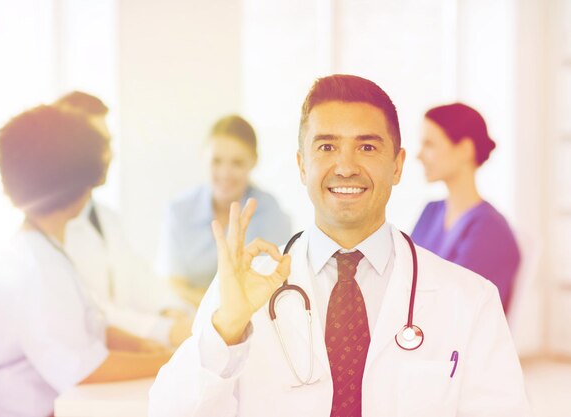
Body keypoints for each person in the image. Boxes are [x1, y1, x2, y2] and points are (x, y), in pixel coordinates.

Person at [148, 75, 531, 416]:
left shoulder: (470, 299)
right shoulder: (240, 291)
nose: (345, 167)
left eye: (367, 148)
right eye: (327, 147)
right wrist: (226, 329)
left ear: (397, 166)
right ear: (301, 165)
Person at [0, 106, 173, 417]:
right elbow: (83, 368)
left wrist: (142, 346)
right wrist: (168, 361)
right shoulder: (37, 265)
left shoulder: (40, 250)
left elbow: (88, 328)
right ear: (79, 180)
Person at [55, 91, 192, 347]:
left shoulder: (107, 218)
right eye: (99, 144)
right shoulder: (53, 231)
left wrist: (171, 310)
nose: (110, 155)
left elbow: (136, 276)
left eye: (109, 143)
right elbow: (89, 311)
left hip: (114, 355)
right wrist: (165, 330)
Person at [157, 114, 291, 306]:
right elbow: (174, 284)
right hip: (190, 318)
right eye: (216, 161)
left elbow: (273, 282)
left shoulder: (271, 212)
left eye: (237, 163)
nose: (225, 173)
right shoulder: (179, 211)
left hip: (253, 317)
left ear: (253, 161)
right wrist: (218, 310)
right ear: (203, 156)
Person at [411, 103, 521, 311]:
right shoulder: (432, 211)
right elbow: (405, 274)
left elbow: (459, 308)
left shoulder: (489, 229)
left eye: (430, 144)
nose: (419, 155)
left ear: (464, 150)